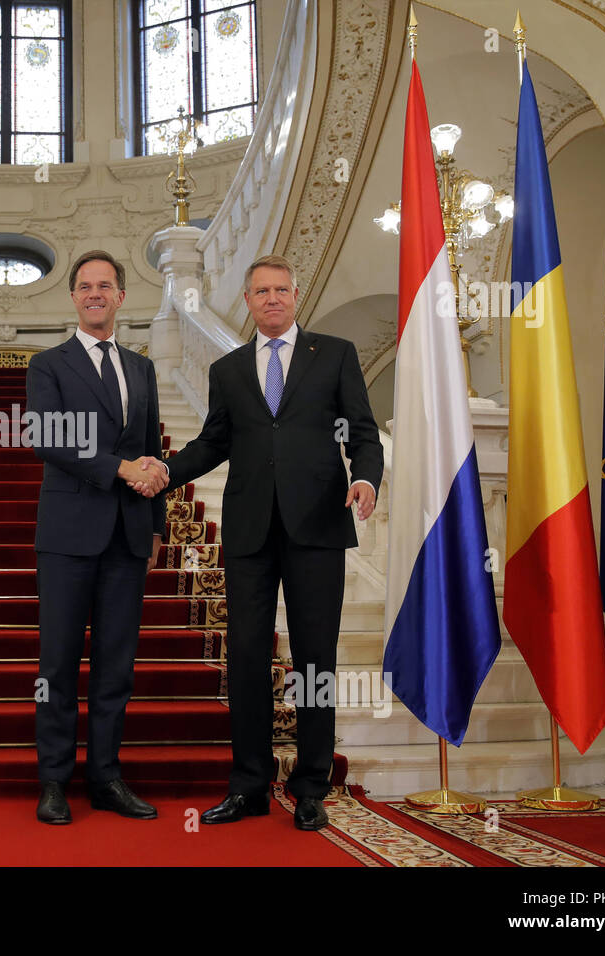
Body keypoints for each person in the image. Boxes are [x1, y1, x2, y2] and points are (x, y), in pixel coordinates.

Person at [135, 254, 383, 830]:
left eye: (281, 289)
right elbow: (211, 443)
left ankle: (312, 786)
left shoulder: (336, 355)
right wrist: (164, 471)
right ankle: (248, 784)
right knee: (246, 658)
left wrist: (366, 477)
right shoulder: (228, 370)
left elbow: (364, 433)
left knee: (315, 659)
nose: (272, 299)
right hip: (249, 531)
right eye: (261, 291)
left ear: (295, 295)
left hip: (318, 527)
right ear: (247, 301)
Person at [26, 250, 169, 825]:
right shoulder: (49, 364)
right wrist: (118, 468)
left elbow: (153, 447)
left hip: (129, 536)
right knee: (57, 665)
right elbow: (46, 437)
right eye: (84, 286)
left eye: (104, 286)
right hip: (67, 535)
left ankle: (106, 777)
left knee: (116, 666)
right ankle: (54, 781)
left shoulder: (142, 368)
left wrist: (157, 524)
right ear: (73, 298)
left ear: (120, 297)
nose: (94, 294)